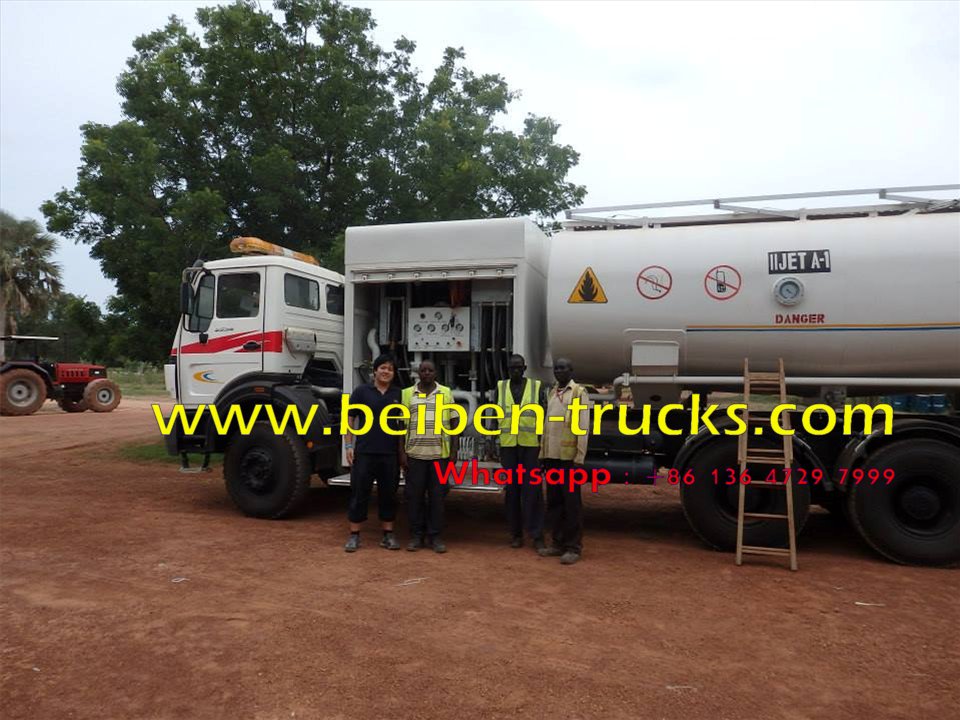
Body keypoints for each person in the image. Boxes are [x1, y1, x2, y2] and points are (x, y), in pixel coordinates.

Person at [343, 354, 404, 552]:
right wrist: (349, 446)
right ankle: (354, 535)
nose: (386, 372)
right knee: (359, 493)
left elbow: (403, 425)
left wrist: (402, 453)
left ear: (394, 374)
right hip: (365, 453)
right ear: (375, 371)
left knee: (389, 495)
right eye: (382, 368)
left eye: (390, 369)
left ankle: (388, 535)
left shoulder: (398, 394)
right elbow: (349, 419)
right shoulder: (362, 392)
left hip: (389, 454)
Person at [401, 360, 459, 553]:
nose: (426, 373)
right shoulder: (407, 394)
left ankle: (435, 537)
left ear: (436, 373)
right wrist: (401, 453)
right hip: (415, 455)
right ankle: (417, 536)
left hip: (439, 456)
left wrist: (453, 452)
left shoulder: (446, 393)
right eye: (423, 370)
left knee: (437, 499)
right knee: (414, 498)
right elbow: (401, 427)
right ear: (418, 372)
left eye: (430, 370)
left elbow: (454, 423)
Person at [538, 357, 590, 565]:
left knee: (572, 503)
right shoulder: (552, 392)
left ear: (571, 370)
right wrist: (542, 454)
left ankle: (573, 547)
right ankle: (557, 543)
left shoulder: (578, 393)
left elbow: (582, 427)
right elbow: (547, 426)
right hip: (552, 457)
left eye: (563, 368)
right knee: (554, 502)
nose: (559, 371)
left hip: (568, 459)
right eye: (557, 368)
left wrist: (579, 456)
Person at [497, 354, 547, 550]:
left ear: (525, 368)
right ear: (508, 369)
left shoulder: (537, 387)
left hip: (531, 447)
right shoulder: (500, 388)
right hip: (508, 446)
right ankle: (515, 534)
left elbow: (544, 417)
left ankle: (537, 536)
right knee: (512, 491)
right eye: (512, 368)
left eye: (519, 367)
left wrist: (542, 446)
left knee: (533, 491)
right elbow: (495, 416)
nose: (515, 370)